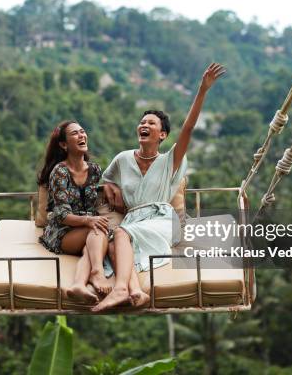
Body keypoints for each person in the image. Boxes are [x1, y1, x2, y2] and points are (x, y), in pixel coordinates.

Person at [92, 63, 226, 312]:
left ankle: (121, 289)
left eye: (151, 124)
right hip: (133, 220)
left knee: (119, 234)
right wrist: (110, 187)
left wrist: (202, 90)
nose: (144, 125)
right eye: (142, 122)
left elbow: (188, 129)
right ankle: (136, 292)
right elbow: (105, 179)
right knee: (112, 243)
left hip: (161, 219)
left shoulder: (169, 162)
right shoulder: (123, 159)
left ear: (162, 135)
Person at [38, 120, 112, 303]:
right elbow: (62, 216)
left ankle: (79, 284)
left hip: (87, 229)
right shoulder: (60, 172)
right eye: (75, 133)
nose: (81, 135)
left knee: (93, 242)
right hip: (62, 231)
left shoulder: (94, 170)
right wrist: (89, 221)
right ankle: (97, 272)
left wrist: (112, 187)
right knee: (97, 229)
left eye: (83, 131)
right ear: (64, 145)